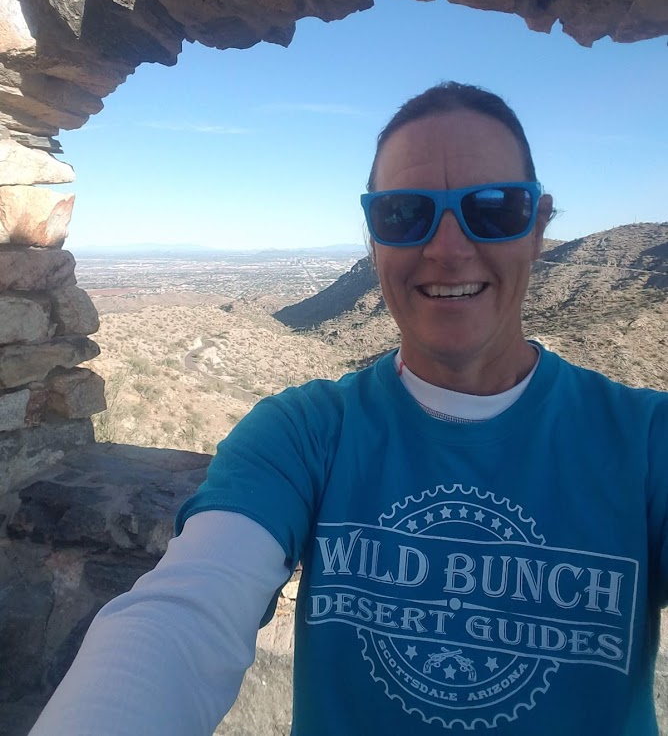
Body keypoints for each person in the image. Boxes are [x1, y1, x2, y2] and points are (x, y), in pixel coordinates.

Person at [30, 82, 668, 735]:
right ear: (373, 239)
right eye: (403, 214)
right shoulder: (302, 436)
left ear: (538, 229)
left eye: (495, 209)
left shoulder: (647, 443)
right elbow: (184, 615)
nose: (448, 247)